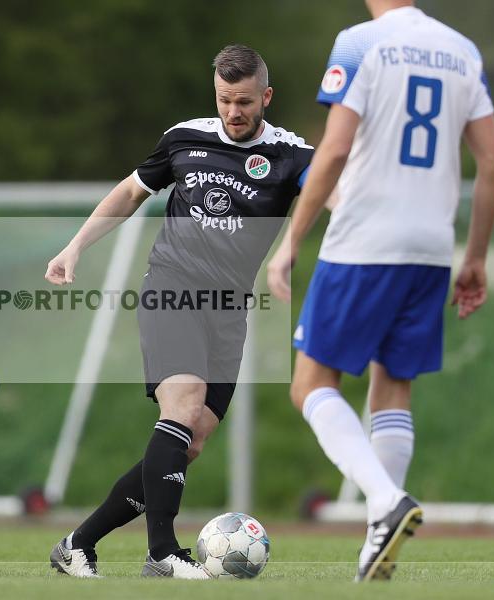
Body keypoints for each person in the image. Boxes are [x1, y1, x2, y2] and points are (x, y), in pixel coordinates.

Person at [45, 44, 314, 579]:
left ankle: (77, 544)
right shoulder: (184, 138)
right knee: (183, 408)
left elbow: (326, 193)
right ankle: (162, 554)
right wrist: (75, 246)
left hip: (229, 310)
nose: (233, 111)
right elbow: (130, 193)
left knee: (188, 442)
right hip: (172, 288)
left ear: (266, 96)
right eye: (224, 100)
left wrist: (296, 246)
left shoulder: (291, 155)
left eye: (244, 101)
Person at [267, 0, 494, 582]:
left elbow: (334, 150)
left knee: (310, 384)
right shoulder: (463, 50)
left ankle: (384, 500)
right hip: (431, 249)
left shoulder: (360, 41)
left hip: (366, 241)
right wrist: (475, 257)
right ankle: (377, 543)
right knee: (392, 389)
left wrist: (291, 240)